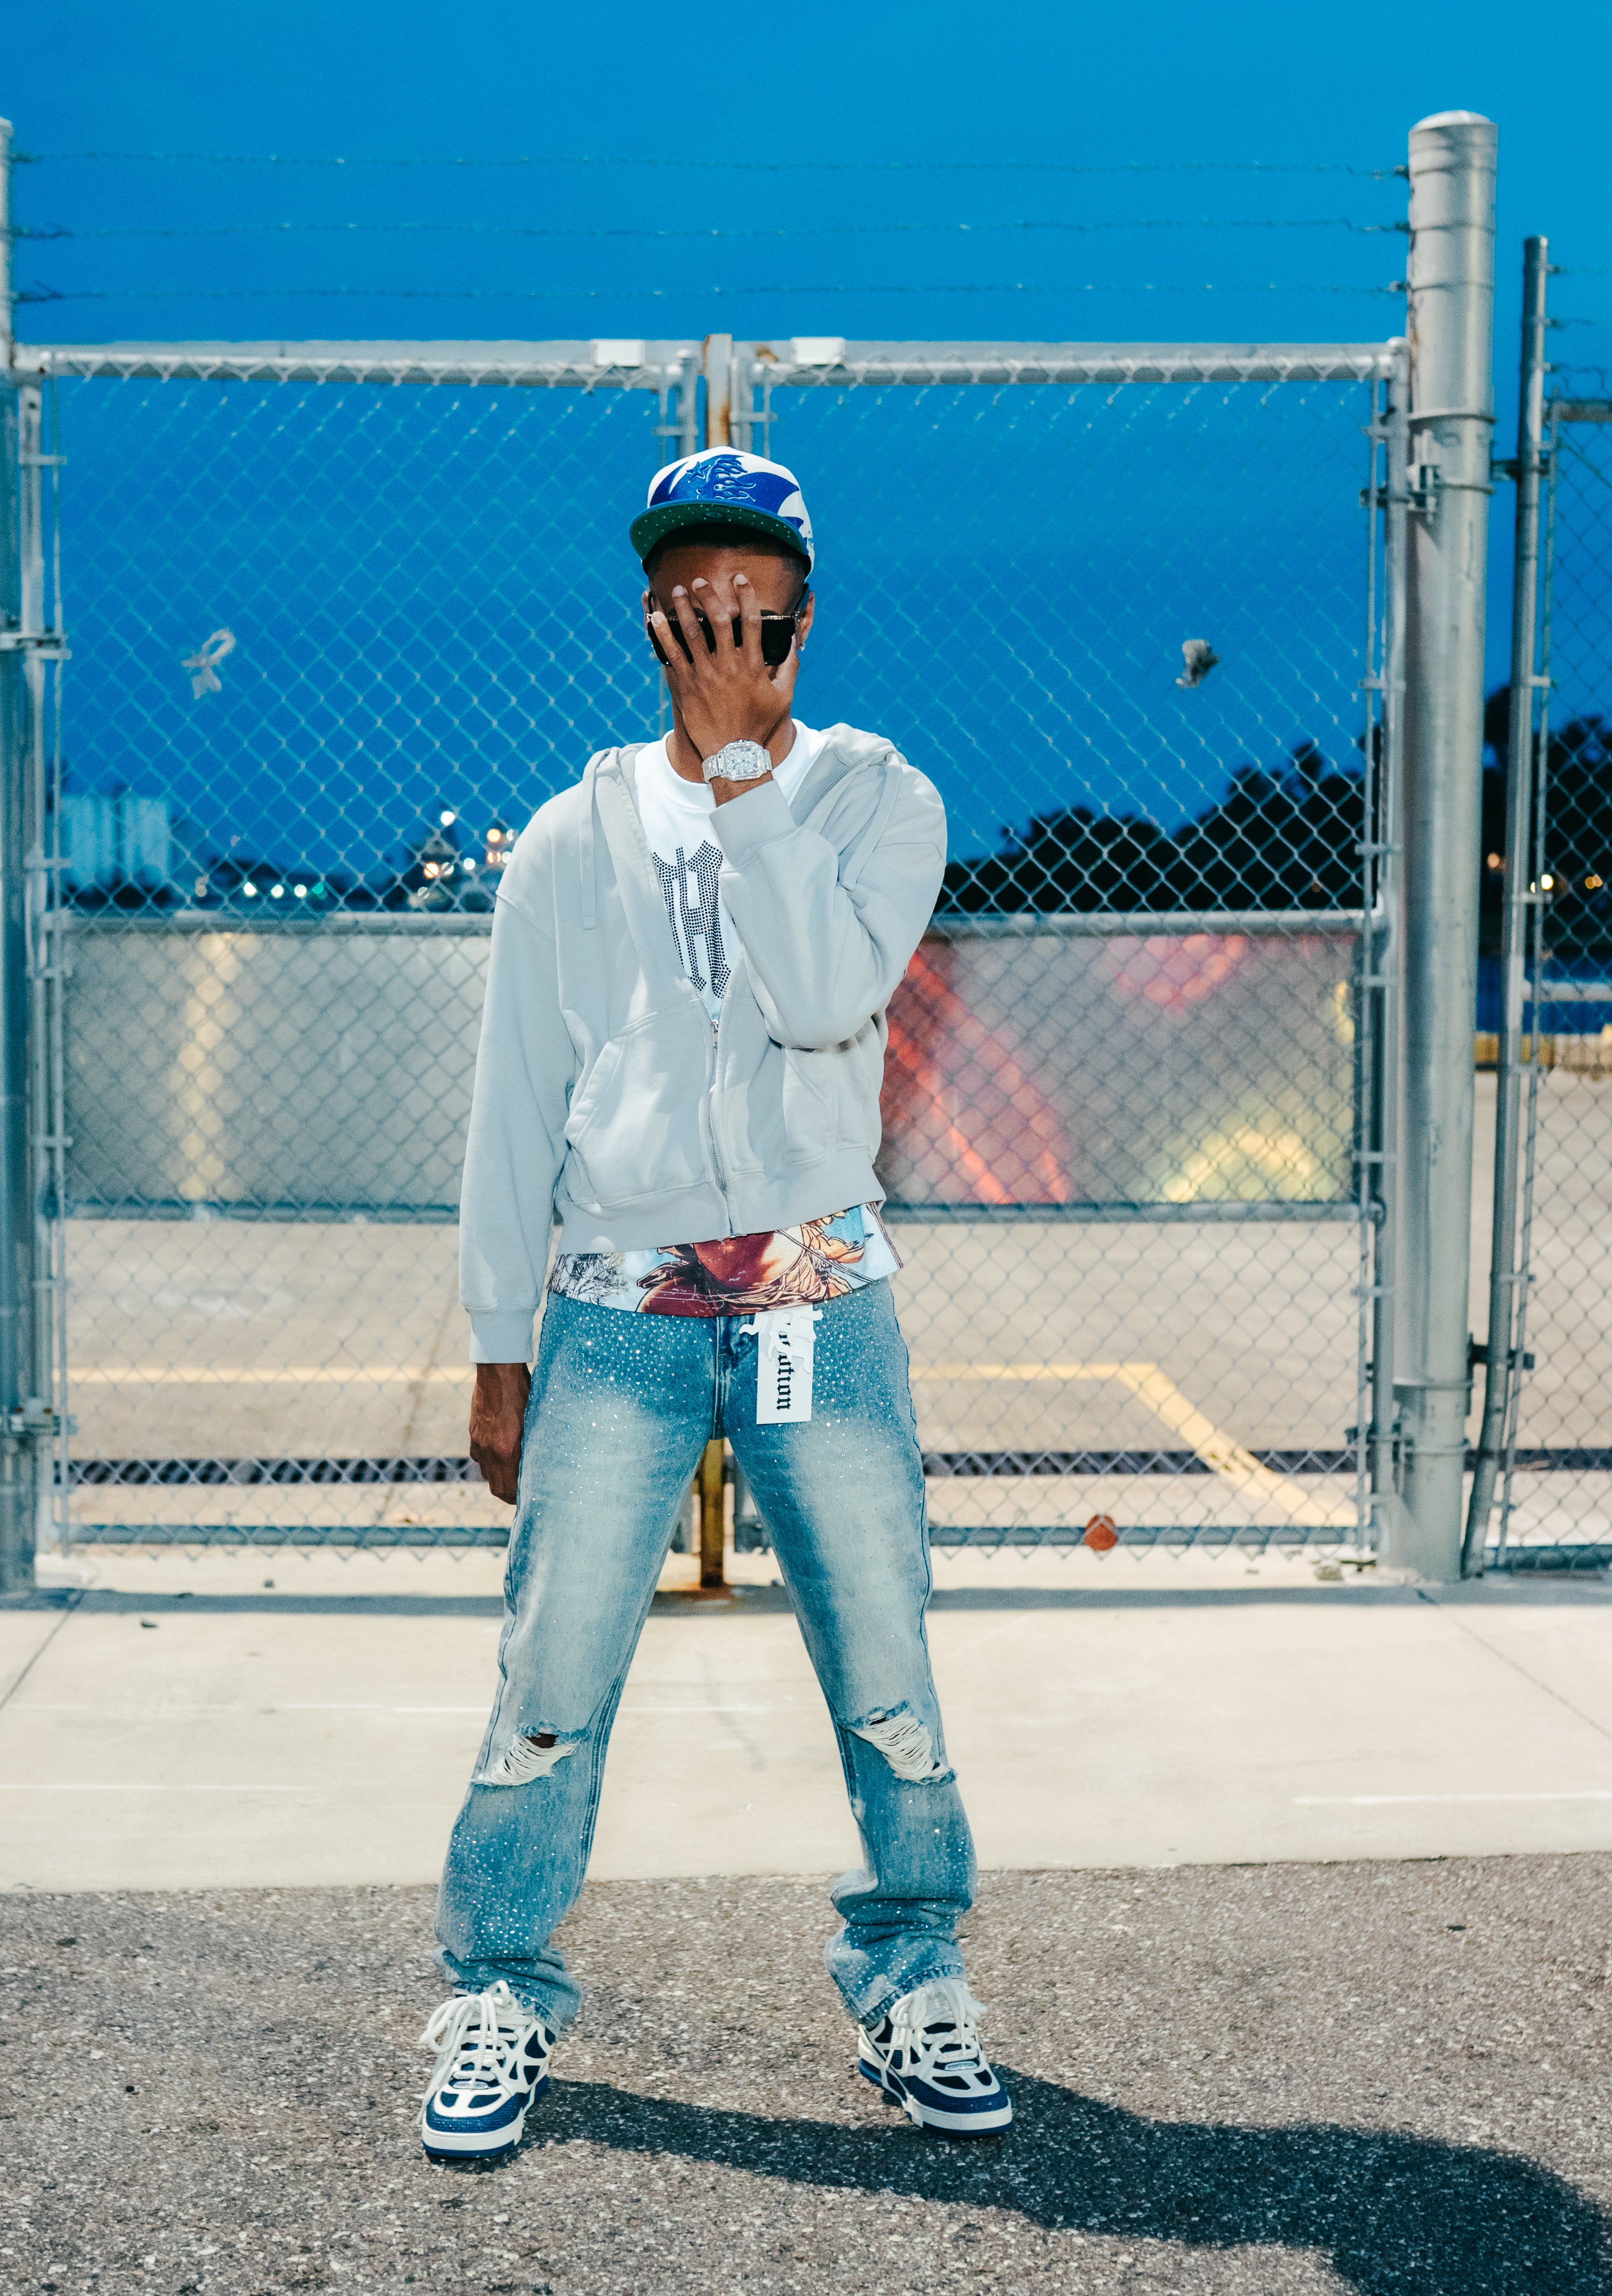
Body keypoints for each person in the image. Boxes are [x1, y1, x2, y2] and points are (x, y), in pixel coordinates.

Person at [418, 447, 1010, 2161]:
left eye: (747, 602)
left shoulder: (877, 798)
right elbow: (515, 1105)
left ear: (801, 620)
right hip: (618, 1303)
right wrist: (498, 1343)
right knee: (553, 1663)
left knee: (883, 1651)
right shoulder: (575, 833)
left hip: (819, 1286)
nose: (715, 626)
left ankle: (911, 1975)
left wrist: (749, 776)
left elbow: (825, 998)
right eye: (688, 599)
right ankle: (499, 1985)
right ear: (649, 619)